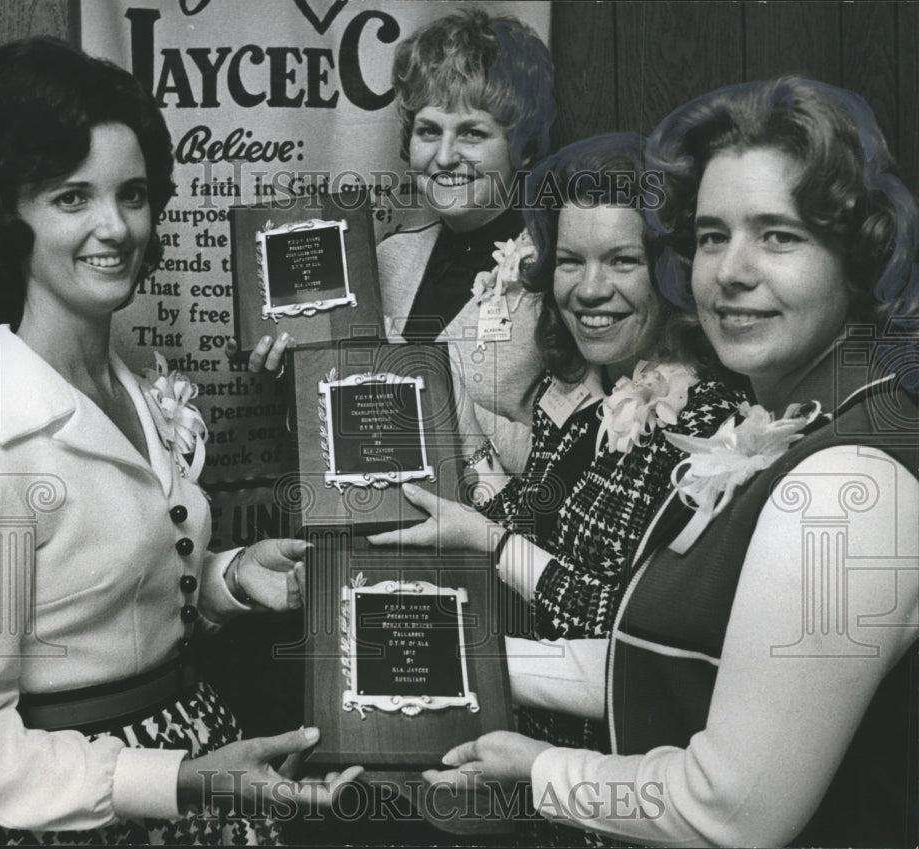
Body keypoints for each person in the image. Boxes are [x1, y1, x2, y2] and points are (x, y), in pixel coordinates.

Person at [427, 78, 919, 848]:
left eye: (779, 235)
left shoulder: (842, 490)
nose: (730, 271)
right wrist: (458, 655)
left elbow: (731, 809)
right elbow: (668, 664)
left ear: (857, 255)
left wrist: (541, 769)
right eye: (713, 235)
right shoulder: (801, 424)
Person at [0, 37, 359, 845]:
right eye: (70, 198)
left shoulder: (135, 380)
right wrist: (177, 779)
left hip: (195, 747)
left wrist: (232, 578)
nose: (115, 227)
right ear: (3, 216)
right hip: (71, 809)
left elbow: (112, 593)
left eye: (131, 194)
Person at [368, 132, 746, 843]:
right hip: (525, 785)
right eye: (571, 260)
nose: (590, 288)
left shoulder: (709, 428)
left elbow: (632, 638)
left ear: (671, 270)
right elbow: (505, 516)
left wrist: (483, 557)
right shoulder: (591, 405)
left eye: (623, 260)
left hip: (617, 806)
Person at [232, 9, 557, 478]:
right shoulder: (386, 260)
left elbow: (569, 462)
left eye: (472, 132)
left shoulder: (556, 272)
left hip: (495, 543)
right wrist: (301, 375)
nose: (444, 157)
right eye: (429, 130)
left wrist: (430, 390)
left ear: (523, 147)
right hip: (376, 536)